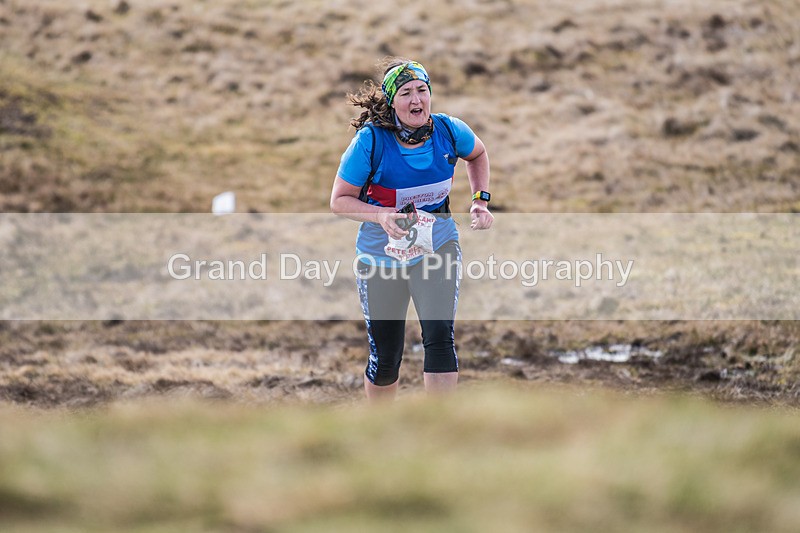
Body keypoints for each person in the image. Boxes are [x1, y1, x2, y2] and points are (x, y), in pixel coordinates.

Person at [330, 58, 493, 402]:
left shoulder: (450, 131)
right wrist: (382, 217)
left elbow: (477, 155)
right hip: (380, 256)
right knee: (387, 356)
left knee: (439, 337)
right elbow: (340, 200)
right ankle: (381, 433)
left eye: (422, 91)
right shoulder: (370, 143)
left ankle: (438, 431)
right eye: (406, 93)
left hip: (438, 246)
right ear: (391, 103)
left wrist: (480, 200)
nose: (416, 100)